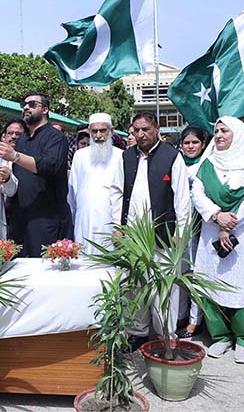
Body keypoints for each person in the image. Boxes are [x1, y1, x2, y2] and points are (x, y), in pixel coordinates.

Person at [191, 117, 244, 363]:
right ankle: (220, 337)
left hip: (243, 234)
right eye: (216, 131)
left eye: (225, 131)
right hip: (211, 231)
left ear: (237, 133)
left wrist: (228, 224)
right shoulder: (208, 162)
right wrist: (217, 217)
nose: (219, 135)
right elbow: (198, 192)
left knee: (243, 285)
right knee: (211, 280)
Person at [119, 111, 191, 348]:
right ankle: (137, 331)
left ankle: (165, 334)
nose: (140, 134)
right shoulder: (126, 157)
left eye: (145, 129)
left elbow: (182, 198)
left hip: (163, 233)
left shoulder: (172, 156)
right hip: (133, 235)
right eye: (136, 130)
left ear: (156, 129)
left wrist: (181, 230)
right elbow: (117, 194)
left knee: (164, 288)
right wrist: (117, 226)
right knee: (134, 285)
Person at [0, 92, 72, 257]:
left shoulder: (55, 137)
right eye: (24, 104)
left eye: (31, 104)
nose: (25, 107)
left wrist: (16, 156)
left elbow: (48, 166)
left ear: (45, 109)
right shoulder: (22, 140)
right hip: (20, 218)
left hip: (46, 219)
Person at [68, 113, 123, 255]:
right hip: (84, 219)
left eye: (103, 131)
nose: (98, 135)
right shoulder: (80, 156)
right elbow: (72, 190)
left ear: (111, 131)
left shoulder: (121, 156)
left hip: (111, 221)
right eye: (94, 131)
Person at [176, 126, 208, 339]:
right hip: (179, 226)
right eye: (186, 143)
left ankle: (195, 321)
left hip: (201, 225)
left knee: (197, 274)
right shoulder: (176, 163)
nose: (190, 147)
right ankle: (179, 315)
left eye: (194, 143)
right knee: (180, 273)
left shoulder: (207, 165)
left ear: (203, 144)